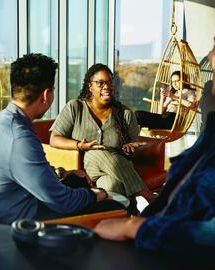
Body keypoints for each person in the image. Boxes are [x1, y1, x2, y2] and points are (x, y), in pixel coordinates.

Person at [0, 54, 122, 225]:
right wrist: (97, 194)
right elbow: (63, 202)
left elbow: (24, 171)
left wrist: (63, 174)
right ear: (46, 95)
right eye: (54, 90)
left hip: (0, 209)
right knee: (113, 207)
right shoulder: (19, 137)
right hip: (16, 226)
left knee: (75, 181)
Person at [94, 110, 215, 257]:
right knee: (105, 159)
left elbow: (208, 233)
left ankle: (133, 208)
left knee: (112, 175)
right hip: (153, 236)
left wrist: (133, 226)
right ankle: (141, 201)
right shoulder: (208, 139)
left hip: (168, 247)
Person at [50, 63, 155, 208]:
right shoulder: (75, 107)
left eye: (110, 82)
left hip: (115, 170)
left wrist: (129, 148)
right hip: (84, 166)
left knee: (112, 185)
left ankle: (127, 216)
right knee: (95, 152)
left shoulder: (125, 114)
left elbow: (132, 149)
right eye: (100, 83)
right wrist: (80, 145)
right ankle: (149, 197)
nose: (106, 87)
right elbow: (54, 139)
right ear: (90, 86)